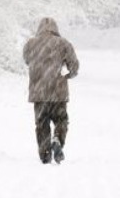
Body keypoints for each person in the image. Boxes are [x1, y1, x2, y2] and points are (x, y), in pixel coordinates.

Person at [23, 17, 79, 164]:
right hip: (58, 92)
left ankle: (45, 154)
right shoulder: (63, 43)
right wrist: (69, 75)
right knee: (61, 120)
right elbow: (74, 65)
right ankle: (58, 140)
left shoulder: (31, 44)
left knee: (41, 123)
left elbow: (27, 60)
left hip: (39, 92)